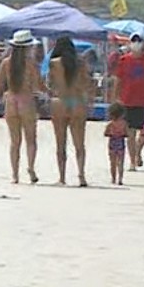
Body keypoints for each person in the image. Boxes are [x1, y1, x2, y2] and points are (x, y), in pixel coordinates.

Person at [0, 30, 46, 185]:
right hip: (26, 101)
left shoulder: (6, 62)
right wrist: (48, 92)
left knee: (15, 142)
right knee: (31, 139)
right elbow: (38, 85)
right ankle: (31, 168)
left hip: (11, 100)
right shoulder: (31, 64)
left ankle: (15, 174)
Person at [48, 36, 92, 187]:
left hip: (60, 102)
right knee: (79, 143)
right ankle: (81, 175)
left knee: (60, 143)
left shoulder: (54, 63)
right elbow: (87, 83)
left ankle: (62, 177)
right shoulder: (80, 63)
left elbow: (50, 83)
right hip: (77, 102)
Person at [113, 33, 144, 171]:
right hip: (127, 101)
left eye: (139, 41)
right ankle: (132, 161)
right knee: (130, 133)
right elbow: (118, 80)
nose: (136, 43)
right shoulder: (124, 60)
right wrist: (115, 98)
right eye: (134, 41)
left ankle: (138, 152)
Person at [104, 102, 128, 186]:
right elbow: (126, 133)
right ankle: (120, 178)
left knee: (112, 162)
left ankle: (113, 178)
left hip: (112, 141)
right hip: (120, 142)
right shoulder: (124, 123)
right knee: (120, 162)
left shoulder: (110, 124)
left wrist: (111, 133)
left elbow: (105, 133)